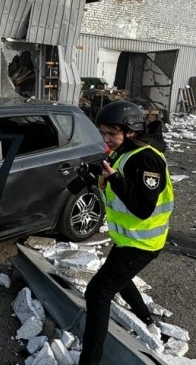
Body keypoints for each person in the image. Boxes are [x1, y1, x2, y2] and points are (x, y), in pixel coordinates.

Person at [79, 101, 174, 365]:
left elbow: (143, 208)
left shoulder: (146, 158)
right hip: (128, 239)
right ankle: (147, 320)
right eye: (102, 133)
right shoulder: (121, 151)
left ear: (130, 131)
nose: (105, 139)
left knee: (97, 293)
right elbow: (113, 179)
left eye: (111, 134)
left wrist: (113, 180)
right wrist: (92, 176)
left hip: (143, 243)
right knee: (119, 278)